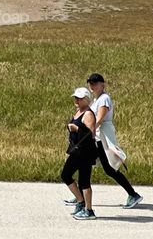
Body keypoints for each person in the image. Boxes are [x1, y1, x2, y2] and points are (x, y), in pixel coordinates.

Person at [86, 73, 143, 208]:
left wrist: (90, 132)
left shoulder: (104, 98)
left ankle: (133, 194)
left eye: (95, 83)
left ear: (102, 84)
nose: (92, 86)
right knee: (86, 163)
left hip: (102, 137)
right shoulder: (96, 100)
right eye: (90, 83)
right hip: (98, 137)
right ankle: (81, 194)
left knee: (109, 169)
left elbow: (99, 118)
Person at [61, 87, 98, 220]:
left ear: (86, 99)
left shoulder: (88, 114)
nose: (76, 100)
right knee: (73, 177)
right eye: (75, 97)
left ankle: (87, 208)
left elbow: (90, 134)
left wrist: (77, 128)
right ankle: (82, 204)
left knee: (78, 179)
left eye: (79, 98)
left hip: (84, 152)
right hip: (78, 150)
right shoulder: (79, 111)